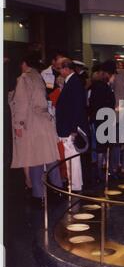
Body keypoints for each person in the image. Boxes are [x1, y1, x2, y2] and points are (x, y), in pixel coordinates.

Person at [9, 54, 62, 205]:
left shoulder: (24, 79)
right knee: (50, 158)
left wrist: (18, 124)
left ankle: (38, 195)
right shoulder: (38, 77)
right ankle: (58, 189)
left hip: (32, 124)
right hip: (44, 122)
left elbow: (21, 103)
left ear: (24, 63)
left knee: (34, 159)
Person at [56, 58, 89, 191]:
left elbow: (77, 107)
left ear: (66, 69)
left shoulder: (74, 82)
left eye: (59, 68)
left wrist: (74, 129)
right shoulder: (72, 81)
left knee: (72, 157)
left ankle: (74, 185)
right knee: (72, 157)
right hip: (69, 126)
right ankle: (75, 183)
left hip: (70, 127)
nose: (59, 71)